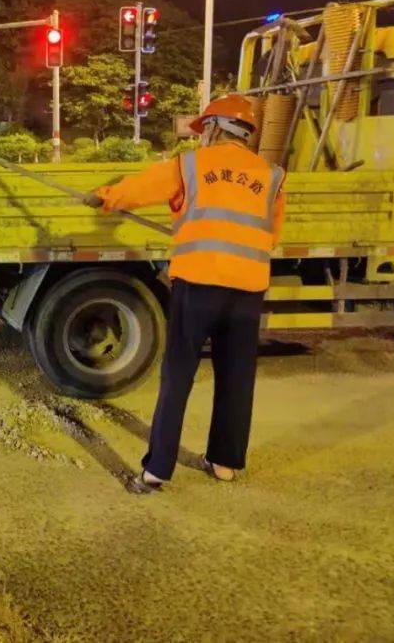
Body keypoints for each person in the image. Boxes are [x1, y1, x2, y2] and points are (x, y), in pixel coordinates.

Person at [84, 95, 285, 493]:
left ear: (214, 128)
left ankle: (157, 470)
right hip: (247, 289)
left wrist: (106, 197)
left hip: (198, 284)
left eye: (204, 129)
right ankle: (225, 463)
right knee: (237, 377)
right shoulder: (272, 176)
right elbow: (270, 235)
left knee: (178, 377)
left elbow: (143, 187)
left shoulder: (191, 166)